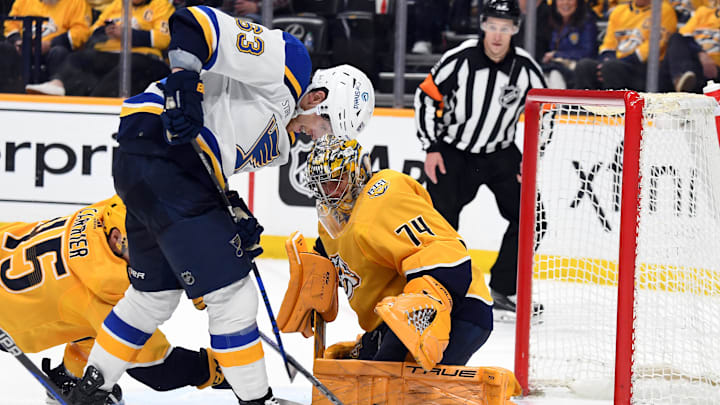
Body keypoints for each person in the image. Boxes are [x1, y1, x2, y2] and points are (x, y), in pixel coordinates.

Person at [67, 4, 375, 404]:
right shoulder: (290, 63)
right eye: (326, 127)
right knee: (232, 296)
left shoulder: (278, 144)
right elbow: (194, 23)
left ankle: (92, 389)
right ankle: (256, 400)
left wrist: (231, 208)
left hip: (144, 167)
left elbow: (210, 158)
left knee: (152, 296)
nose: (318, 140)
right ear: (317, 98)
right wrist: (183, 83)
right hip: (160, 148)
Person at [0, 196, 229, 404]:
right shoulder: (104, 293)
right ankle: (72, 382)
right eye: (150, 251)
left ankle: (70, 377)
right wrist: (219, 370)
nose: (158, 258)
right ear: (117, 239)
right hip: (8, 321)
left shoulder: (110, 214)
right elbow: (156, 367)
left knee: (88, 326)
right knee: (110, 339)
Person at [301, 134, 493, 369]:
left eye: (336, 181)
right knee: (356, 377)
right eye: (321, 184)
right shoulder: (334, 219)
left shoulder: (384, 200)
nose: (328, 192)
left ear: (358, 171)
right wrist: (312, 279)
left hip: (459, 308)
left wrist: (423, 306)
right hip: (395, 316)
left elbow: (445, 252)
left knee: (396, 386)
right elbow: (331, 258)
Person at [413, 0, 545, 318]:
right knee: (440, 222)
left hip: (500, 152)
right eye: (492, 26)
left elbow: (546, 115)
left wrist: (531, 159)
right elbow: (427, 96)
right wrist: (431, 146)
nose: (497, 36)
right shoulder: (459, 58)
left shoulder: (526, 69)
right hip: (454, 151)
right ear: (482, 25)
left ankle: (502, 289)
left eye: (505, 28)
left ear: (515, 29)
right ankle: (442, 290)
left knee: (532, 216)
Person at [25, 0, 174, 97]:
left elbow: (165, 38)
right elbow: (92, 32)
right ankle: (58, 84)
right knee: (78, 57)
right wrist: (107, 30)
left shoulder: (161, 6)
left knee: (129, 65)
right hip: (111, 55)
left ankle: (95, 100)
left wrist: (129, 34)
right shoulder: (117, 5)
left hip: (145, 59)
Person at [573, 0, 677, 91]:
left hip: (647, 69)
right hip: (616, 63)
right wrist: (604, 62)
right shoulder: (619, 11)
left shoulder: (664, 10)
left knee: (611, 68)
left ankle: (616, 112)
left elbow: (651, 49)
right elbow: (608, 44)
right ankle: (584, 110)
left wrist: (615, 63)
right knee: (584, 66)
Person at [2, 0, 91, 84]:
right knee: (5, 49)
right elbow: (10, 23)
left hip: (53, 49)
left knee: (58, 52)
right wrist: (18, 41)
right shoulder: (23, 1)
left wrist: (51, 44)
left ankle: (55, 86)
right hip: (24, 47)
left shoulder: (77, 2)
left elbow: (81, 31)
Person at [659, 4, 720, 93]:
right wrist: (700, 52)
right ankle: (681, 79)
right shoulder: (703, 12)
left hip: (713, 71)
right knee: (676, 38)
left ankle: (680, 80)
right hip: (694, 61)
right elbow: (684, 35)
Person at [542, 0, 598, 88]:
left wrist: (556, 55)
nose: (565, 3)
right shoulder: (553, 22)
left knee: (554, 75)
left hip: (578, 72)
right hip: (557, 68)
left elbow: (588, 52)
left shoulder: (587, 22)